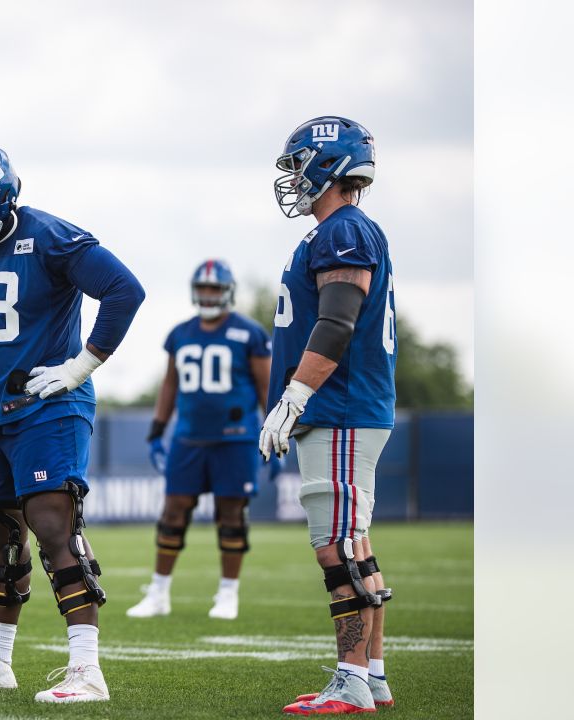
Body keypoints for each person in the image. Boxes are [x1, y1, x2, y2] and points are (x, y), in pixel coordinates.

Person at [0, 144, 144, 703]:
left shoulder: (49, 235)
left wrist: (82, 364)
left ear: (1, 200)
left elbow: (124, 289)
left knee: (53, 528)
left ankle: (87, 669)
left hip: (49, 407)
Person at [260, 117, 397, 715]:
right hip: (346, 409)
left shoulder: (344, 231)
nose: (292, 178)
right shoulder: (338, 231)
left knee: (335, 546)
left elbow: (337, 322)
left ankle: (348, 681)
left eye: (298, 164)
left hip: (340, 408)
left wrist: (294, 397)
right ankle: (372, 677)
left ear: (328, 166)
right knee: (355, 544)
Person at [127, 259, 271, 621]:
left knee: (231, 514)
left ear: (227, 292)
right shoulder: (181, 333)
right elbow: (170, 383)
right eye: (203, 288)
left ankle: (228, 593)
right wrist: (159, 427)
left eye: (214, 289)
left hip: (236, 439)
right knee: (173, 513)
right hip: (188, 438)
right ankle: (159, 591)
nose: (208, 295)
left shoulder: (249, 333)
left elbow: (265, 386)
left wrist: (274, 430)